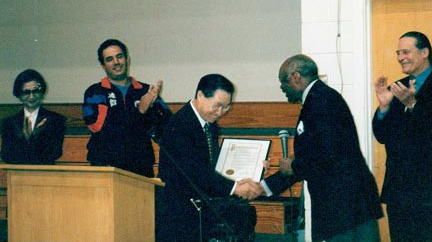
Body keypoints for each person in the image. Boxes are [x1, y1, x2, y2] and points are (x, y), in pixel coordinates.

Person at [263, 54, 383, 242]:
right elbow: (321, 151)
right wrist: (266, 187)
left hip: (343, 207)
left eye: (283, 82)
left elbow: (327, 155)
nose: (282, 88)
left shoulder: (320, 101)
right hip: (350, 205)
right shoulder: (321, 97)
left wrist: (293, 167)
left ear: (296, 77)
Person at [372, 31, 432, 242]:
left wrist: (413, 105)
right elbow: (382, 136)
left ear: (424, 52)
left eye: (406, 52)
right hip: (398, 191)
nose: (400, 57)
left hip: (428, 191)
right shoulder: (398, 87)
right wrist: (384, 108)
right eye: (398, 52)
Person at [157, 74, 262, 242]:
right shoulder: (180, 125)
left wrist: (250, 170)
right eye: (217, 105)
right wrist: (234, 187)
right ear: (200, 96)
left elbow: (214, 164)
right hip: (180, 214)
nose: (220, 112)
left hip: (201, 206)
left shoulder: (209, 124)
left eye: (226, 107)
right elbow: (195, 172)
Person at [82, 39, 171, 177]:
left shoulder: (146, 91)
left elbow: (166, 127)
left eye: (119, 56)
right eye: (110, 59)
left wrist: (152, 111)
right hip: (106, 165)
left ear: (127, 59)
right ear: (103, 65)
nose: (116, 62)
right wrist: (140, 111)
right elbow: (98, 128)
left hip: (141, 165)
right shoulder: (94, 93)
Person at [1, 69, 66, 164]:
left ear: (42, 92)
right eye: (26, 92)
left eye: (35, 91)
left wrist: (32, 138)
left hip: (44, 174)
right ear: (18, 94)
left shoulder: (56, 120)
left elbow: (55, 152)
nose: (31, 96)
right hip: (17, 174)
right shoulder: (9, 123)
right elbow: (6, 154)